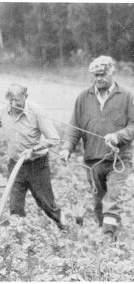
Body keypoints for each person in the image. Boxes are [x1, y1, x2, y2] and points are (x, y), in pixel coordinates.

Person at [0, 83, 65, 229]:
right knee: (15, 207)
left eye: (17, 101)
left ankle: (63, 225)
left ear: (25, 97)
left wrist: (33, 149)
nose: (14, 104)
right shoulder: (4, 111)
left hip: (37, 164)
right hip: (15, 164)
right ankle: (19, 237)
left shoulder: (36, 112)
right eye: (11, 100)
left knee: (45, 203)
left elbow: (54, 138)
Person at [60, 55, 134, 240]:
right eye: (95, 75)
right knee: (98, 201)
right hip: (93, 160)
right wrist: (67, 148)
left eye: (102, 74)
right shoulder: (84, 98)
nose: (99, 78)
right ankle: (107, 229)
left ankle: (108, 238)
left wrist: (118, 136)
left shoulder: (126, 96)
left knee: (113, 198)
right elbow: (74, 126)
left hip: (119, 159)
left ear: (112, 73)